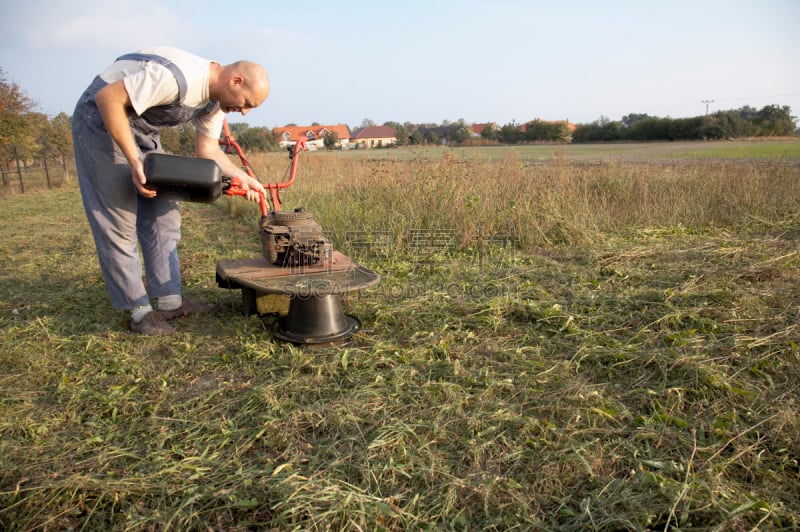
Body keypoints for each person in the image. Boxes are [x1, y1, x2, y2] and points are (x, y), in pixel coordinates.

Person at [71, 47, 270, 336]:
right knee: (119, 217)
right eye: (246, 103)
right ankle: (138, 311)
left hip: (142, 130)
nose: (244, 111)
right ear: (235, 81)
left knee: (163, 213)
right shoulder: (178, 77)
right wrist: (134, 159)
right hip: (101, 121)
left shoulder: (216, 103)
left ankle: (169, 301)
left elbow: (208, 150)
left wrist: (242, 176)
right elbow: (109, 98)